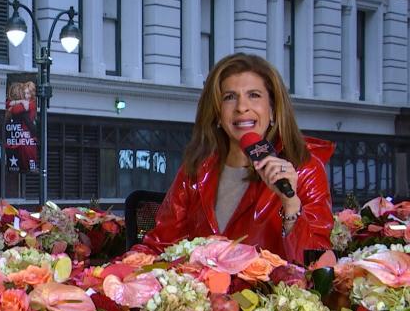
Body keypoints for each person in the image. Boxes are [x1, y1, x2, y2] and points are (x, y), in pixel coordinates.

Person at [140, 53, 333, 264]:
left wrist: (290, 203)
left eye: (254, 95)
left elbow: (318, 265)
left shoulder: (304, 169)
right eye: (229, 97)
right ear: (217, 113)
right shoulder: (196, 168)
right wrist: (112, 274)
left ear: (273, 109)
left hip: (268, 294)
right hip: (205, 293)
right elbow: (160, 245)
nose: (242, 107)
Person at [5, 81, 38, 173]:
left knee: (28, 162)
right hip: (20, 139)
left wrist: (13, 107)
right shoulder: (24, 103)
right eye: (24, 93)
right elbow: (7, 103)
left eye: (28, 93)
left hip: (27, 138)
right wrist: (21, 101)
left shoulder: (31, 104)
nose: (26, 96)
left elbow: (15, 110)